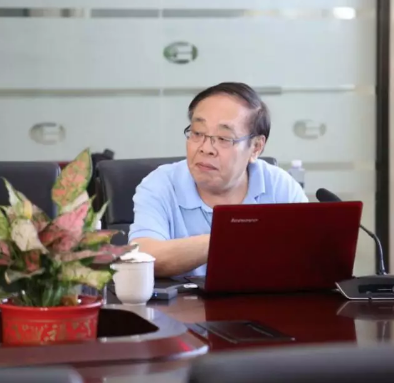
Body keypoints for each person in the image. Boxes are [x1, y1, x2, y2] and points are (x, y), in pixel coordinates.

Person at [129, 82, 307, 277]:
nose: (206, 148)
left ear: (256, 147)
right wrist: (230, 238)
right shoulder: (161, 184)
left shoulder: (279, 186)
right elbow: (142, 257)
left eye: (223, 138)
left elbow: (309, 257)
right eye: (197, 133)